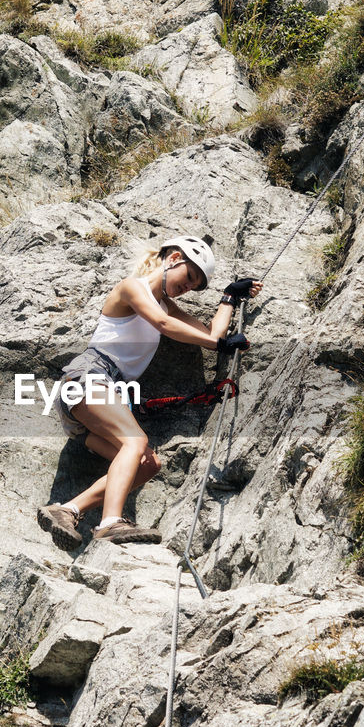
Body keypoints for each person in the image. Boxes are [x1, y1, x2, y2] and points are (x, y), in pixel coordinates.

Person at [38, 235, 262, 548]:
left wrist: (229, 297)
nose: (189, 287)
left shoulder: (165, 304)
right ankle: (110, 523)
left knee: (147, 465)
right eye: (190, 277)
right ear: (174, 259)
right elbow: (162, 324)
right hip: (88, 378)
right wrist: (220, 345)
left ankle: (67, 510)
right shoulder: (132, 287)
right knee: (135, 441)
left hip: (100, 399)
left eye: (196, 285)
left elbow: (210, 333)